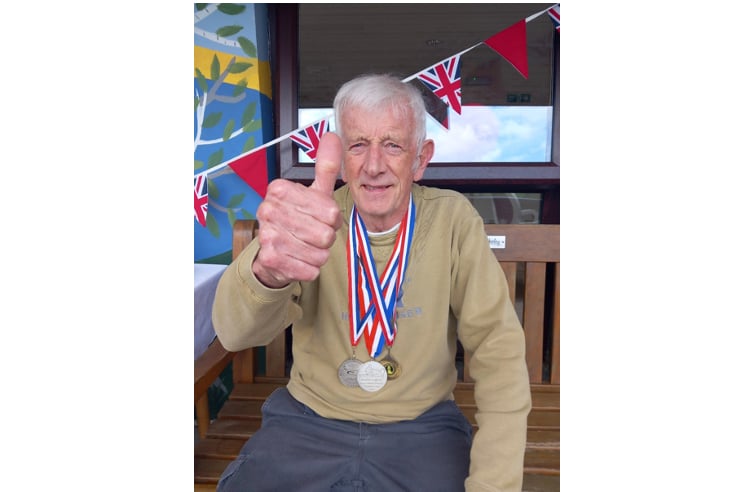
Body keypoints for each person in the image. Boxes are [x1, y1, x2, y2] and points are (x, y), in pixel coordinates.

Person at [212, 73, 531, 492]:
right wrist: (266, 273)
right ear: (342, 159)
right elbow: (235, 334)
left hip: (422, 428)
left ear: (420, 159)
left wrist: (495, 485)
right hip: (308, 422)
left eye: (393, 145)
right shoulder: (310, 219)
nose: (374, 164)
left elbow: (498, 352)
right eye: (358, 144)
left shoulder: (453, 220)